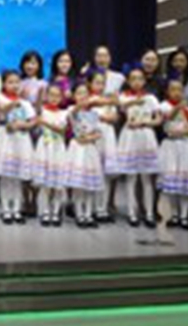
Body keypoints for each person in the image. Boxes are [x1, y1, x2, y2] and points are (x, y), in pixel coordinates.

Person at [111, 66, 162, 228]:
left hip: (146, 136)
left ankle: (149, 213)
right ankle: (131, 213)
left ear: (145, 80)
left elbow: (158, 119)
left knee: (147, 178)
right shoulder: (123, 97)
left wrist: (146, 122)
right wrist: (134, 101)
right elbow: (120, 106)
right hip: (130, 136)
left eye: (140, 78)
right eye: (133, 78)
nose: (136, 82)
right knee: (131, 177)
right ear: (128, 81)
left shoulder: (151, 98)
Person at [157, 79, 188, 231]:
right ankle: (173, 215)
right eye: (173, 89)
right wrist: (178, 108)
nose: (177, 93)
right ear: (167, 92)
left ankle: (184, 216)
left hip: (186, 147)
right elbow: (167, 120)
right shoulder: (164, 106)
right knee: (171, 182)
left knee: (185, 182)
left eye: (179, 90)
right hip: (170, 147)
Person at [0, 70, 37, 225]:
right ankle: (6, 209)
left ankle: (17, 209)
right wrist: (12, 104)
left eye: (17, 82)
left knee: (18, 177)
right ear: (4, 84)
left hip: (21, 139)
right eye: (10, 82)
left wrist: (24, 125)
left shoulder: (25, 103)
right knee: (6, 176)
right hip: (6, 139)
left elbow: (33, 120)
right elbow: (0, 113)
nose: (14, 85)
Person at [65, 83, 105, 229]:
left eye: (85, 93)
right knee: (79, 185)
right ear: (74, 96)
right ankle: (79, 214)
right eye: (79, 93)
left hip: (90, 148)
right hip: (77, 148)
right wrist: (79, 105)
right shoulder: (72, 109)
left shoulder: (94, 113)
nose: (83, 96)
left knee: (89, 184)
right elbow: (72, 114)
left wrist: (91, 137)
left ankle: (88, 214)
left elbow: (98, 132)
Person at [32, 84, 69, 227]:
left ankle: (56, 211)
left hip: (58, 148)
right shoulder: (42, 111)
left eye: (57, 95)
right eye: (51, 95)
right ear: (46, 96)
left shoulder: (64, 113)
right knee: (45, 183)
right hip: (45, 148)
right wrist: (39, 97)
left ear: (62, 98)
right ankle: (45, 211)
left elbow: (62, 130)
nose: (54, 98)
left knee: (57, 183)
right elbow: (37, 111)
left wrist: (45, 123)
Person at [87, 71, 120, 223]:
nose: (100, 86)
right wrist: (106, 109)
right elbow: (91, 112)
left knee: (105, 174)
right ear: (89, 84)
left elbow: (114, 117)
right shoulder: (88, 99)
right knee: (93, 172)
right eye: (97, 82)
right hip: (95, 137)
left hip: (108, 137)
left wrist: (109, 111)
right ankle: (90, 208)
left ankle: (102, 208)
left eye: (102, 83)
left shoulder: (108, 100)